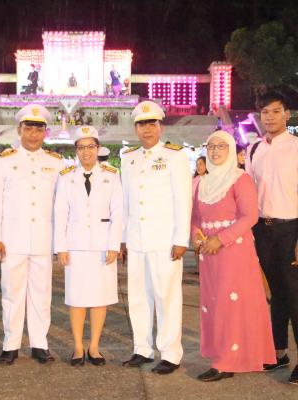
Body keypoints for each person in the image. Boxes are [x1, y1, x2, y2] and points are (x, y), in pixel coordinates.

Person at [191, 130, 276, 382]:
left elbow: (250, 216)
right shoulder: (200, 182)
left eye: (221, 146)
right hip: (209, 254)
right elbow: (194, 218)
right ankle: (220, 354)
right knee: (214, 304)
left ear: (230, 150)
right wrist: (197, 237)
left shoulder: (241, 179)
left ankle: (227, 361)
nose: (215, 151)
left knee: (231, 305)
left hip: (234, 250)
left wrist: (220, 239)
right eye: (211, 146)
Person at [0, 104, 65, 366]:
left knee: (41, 294)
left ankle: (39, 344)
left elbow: (61, 205)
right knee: (11, 293)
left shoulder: (55, 162)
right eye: (28, 128)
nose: (33, 134)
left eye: (38, 129)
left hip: (43, 238)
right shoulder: (5, 160)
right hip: (12, 239)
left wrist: (60, 242)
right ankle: (10, 345)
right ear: (19, 130)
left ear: (45, 132)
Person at [121, 101, 192, 374]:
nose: (147, 129)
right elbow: (126, 202)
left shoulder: (174, 156)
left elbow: (182, 199)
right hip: (137, 239)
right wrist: (123, 239)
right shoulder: (129, 158)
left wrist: (181, 239)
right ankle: (142, 348)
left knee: (166, 297)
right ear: (135, 128)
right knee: (138, 297)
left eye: (151, 123)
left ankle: (171, 353)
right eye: (141, 124)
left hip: (165, 240)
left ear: (160, 126)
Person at [54, 126, 123, 366]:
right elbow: (60, 213)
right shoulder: (66, 176)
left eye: (91, 147)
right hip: (75, 245)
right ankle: (77, 347)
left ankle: (94, 347)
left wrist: (114, 244)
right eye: (81, 147)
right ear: (76, 150)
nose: (86, 152)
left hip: (103, 245)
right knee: (76, 298)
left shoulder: (111, 175)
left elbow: (118, 212)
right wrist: (61, 247)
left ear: (98, 148)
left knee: (99, 298)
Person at [245, 91, 298, 385]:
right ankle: (279, 352)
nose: (270, 117)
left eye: (276, 111)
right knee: (275, 294)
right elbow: (248, 194)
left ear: (287, 114)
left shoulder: (296, 147)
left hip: (291, 229)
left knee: (295, 295)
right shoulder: (254, 149)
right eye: (265, 112)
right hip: (262, 230)